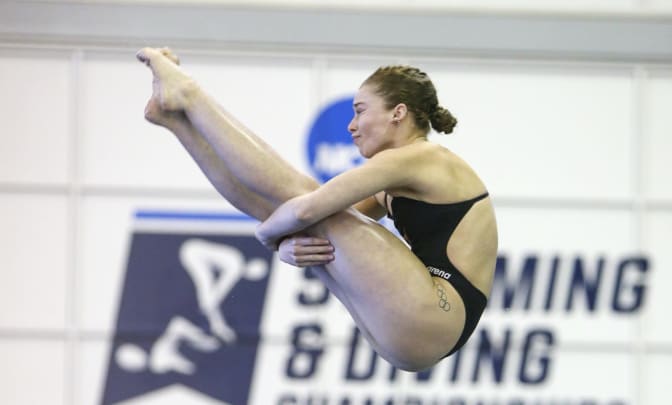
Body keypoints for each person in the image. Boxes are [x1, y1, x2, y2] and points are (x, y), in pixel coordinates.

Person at [136, 47, 498, 371]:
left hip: (434, 311)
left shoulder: (422, 157)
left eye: (360, 112)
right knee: (283, 206)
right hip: (417, 332)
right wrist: (285, 238)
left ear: (398, 113)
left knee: (302, 195)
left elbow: (309, 206)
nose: (352, 127)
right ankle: (177, 121)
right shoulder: (401, 175)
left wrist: (269, 238)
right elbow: (298, 216)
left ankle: (191, 95)